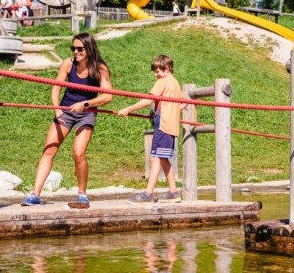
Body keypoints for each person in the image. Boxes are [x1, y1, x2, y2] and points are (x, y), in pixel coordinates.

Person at [21, 33, 113, 207]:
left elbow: (108, 96)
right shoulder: (68, 64)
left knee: (78, 152)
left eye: (80, 49)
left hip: (86, 113)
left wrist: (85, 103)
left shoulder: (99, 68)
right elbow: (56, 89)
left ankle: (82, 194)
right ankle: (35, 195)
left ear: (89, 49)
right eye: (73, 48)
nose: (76, 52)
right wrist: (57, 110)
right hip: (65, 111)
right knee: (49, 150)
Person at [118, 55, 186, 203]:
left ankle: (148, 194)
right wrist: (172, 111)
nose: (155, 75)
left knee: (154, 157)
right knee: (162, 158)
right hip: (170, 125)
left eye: (157, 71)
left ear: (166, 69)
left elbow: (148, 99)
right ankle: (173, 192)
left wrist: (128, 109)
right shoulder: (175, 83)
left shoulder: (163, 81)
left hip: (163, 124)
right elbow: (186, 102)